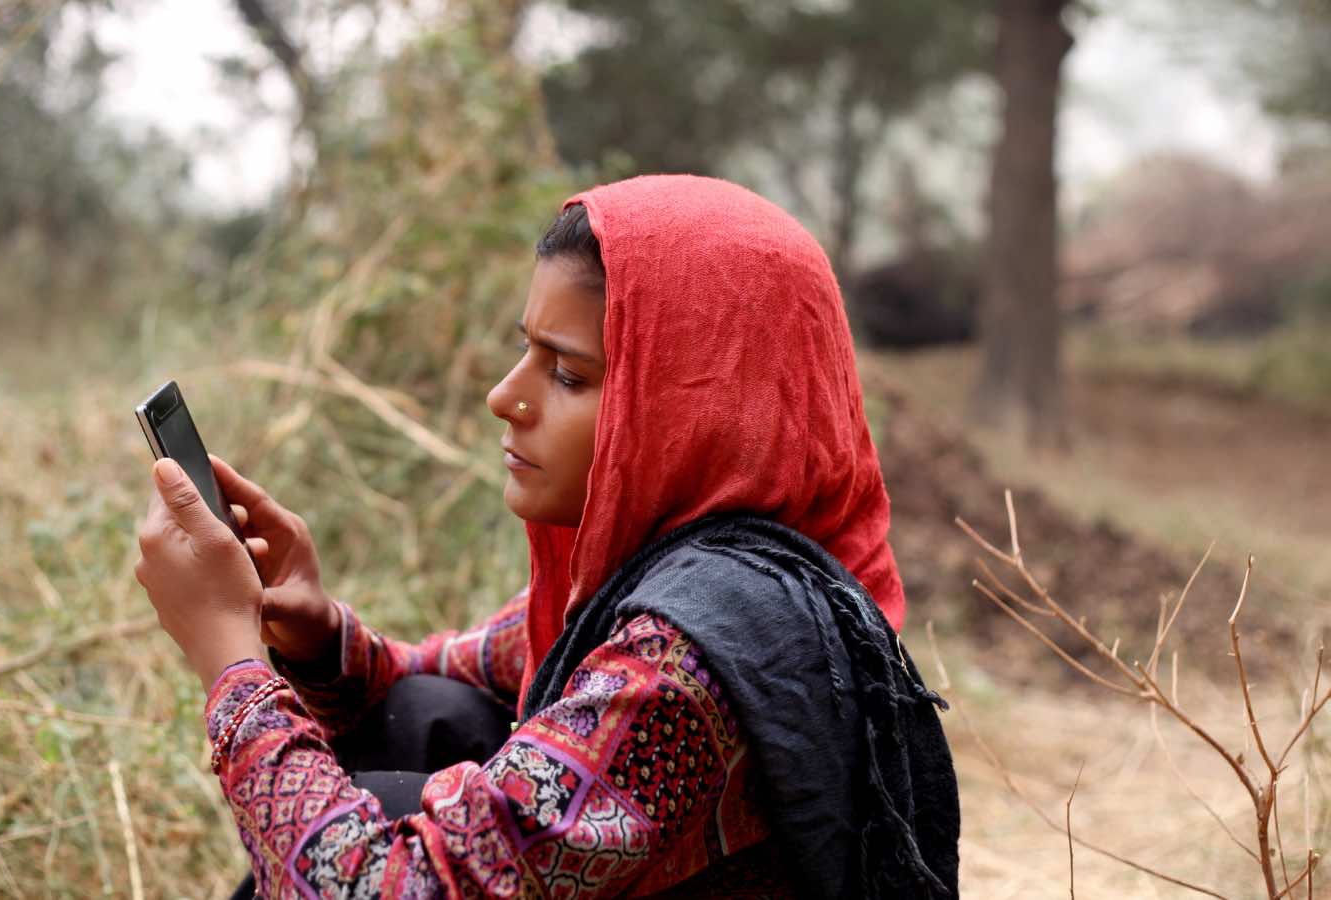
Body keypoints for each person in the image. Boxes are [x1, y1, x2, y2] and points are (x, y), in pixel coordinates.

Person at [134, 175, 959, 898]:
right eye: (524, 352)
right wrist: (316, 636)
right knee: (429, 712)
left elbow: (385, 890)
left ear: (695, 408)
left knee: (388, 813)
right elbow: (428, 674)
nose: (504, 396)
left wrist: (231, 660)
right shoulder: (679, 568)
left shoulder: (688, 661)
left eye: (567, 373)